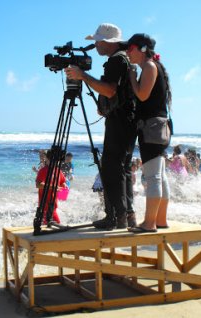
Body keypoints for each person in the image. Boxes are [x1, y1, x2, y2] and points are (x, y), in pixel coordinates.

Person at [65, 23, 138, 230]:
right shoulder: (125, 58)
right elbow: (117, 92)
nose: (95, 45)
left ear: (107, 42)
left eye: (97, 41)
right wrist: (106, 105)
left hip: (121, 120)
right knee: (121, 168)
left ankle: (114, 217)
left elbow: (110, 90)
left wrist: (82, 76)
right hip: (128, 119)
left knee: (110, 169)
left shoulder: (116, 60)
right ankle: (126, 215)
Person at [123, 33, 171, 233]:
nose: (127, 52)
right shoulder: (154, 66)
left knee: (153, 177)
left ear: (141, 49)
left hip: (151, 128)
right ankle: (160, 220)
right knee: (160, 175)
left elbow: (142, 95)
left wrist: (132, 78)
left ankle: (149, 223)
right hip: (158, 128)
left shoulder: (150, 67)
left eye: (130, 48)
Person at [36, 149, 67, 224]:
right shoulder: (43, 170)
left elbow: (63, 183)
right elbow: (38, 185)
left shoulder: (58, 171)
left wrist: (64, 188)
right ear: (46, 158)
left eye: (57, 160)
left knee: (56, 227)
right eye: (53, 160)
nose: (56, 162)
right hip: (44, 207)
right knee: (55, 226)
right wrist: (53, 187)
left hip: (53, 206)